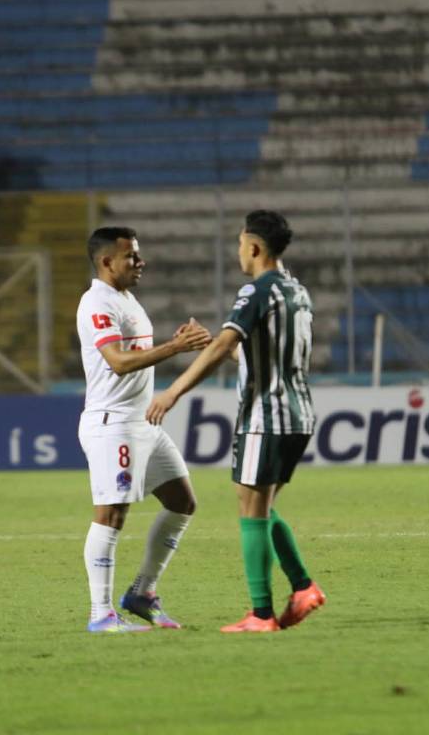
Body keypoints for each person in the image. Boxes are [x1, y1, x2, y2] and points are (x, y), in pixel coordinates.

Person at [148, 210, 326, 633]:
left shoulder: (257, 290)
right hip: (299, 413)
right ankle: (302, 588)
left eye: (239, 243)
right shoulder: (296, 291)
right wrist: (212, 342)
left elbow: (229, 345)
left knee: (250, 506)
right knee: (261, 505)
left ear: (254, 247)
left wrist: (173, 392)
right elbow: (249, 352)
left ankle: (262, 614)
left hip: (266, 415)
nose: (238, 252)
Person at [77, 226, 212, 632]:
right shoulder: (96, 303)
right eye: (131, 256)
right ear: (106, 262)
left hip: (142, 422)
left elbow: (134, 352)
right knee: (112, 514)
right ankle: (101, 613)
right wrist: (175, 348)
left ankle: (141, 593)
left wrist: (171, 342)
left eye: (138, 255)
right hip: (113, 424)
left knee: (182, 503)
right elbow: (117, 361)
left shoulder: (125, 299)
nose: (140, 262)